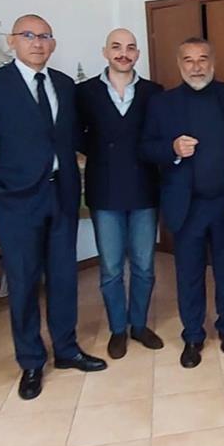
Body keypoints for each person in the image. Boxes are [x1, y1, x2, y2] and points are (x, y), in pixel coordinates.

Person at [0, 14, 107, 401]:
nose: (38, 42)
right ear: (12, 41)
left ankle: (67, 349)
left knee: (63, 277)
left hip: (62, 194)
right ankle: (30, 361)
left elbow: (74, 136)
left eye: (45, 36)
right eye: (28, 35)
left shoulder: (63, 84)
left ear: (53, 43)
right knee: (24, 282)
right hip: (16, 201)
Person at [141, 37, 224, 369]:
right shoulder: (162, 103)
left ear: (212, 62)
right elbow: (146, 148)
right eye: (189, 60)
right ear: (179, 64)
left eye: (202, 59)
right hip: (187, 206)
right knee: (189, 274)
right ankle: (193, 335)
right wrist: (171, 149)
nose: (196, 67)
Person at [77, 28, 164, 359]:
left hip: (144, 189)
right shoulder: (84, 92)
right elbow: (76, 136)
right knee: (111, 268)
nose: (123, 53)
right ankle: (117, 328)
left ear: (137, 54)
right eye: (116, 47)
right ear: (105, 52)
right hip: (105, 190)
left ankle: (138, 325)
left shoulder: (154, 92)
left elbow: (159, 135)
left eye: (130, 48)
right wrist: (103, 156)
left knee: (144, 265)